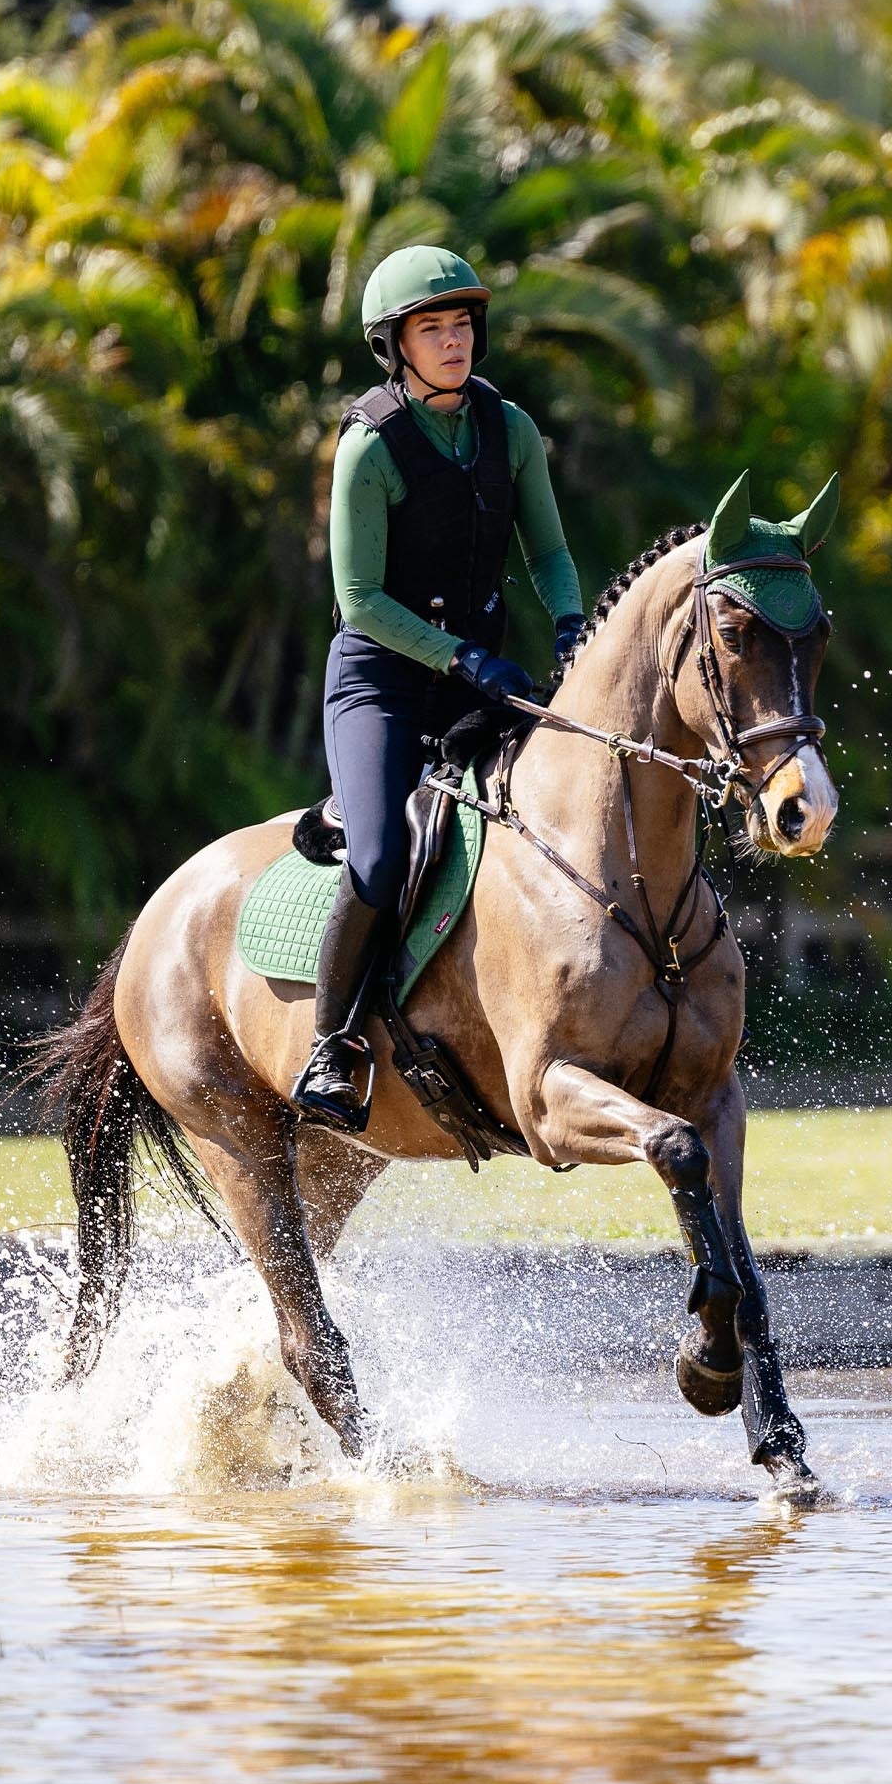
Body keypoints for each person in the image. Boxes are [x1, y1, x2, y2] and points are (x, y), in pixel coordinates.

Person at [292, 245, 586, 1130]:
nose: (454, 342)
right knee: (381, 860)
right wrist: (462, 658)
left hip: (477, 678)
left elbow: (552, 554)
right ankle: (331, 1047)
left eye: (463, 325)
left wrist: (574, 627)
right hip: (382, 682)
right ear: (397, 345)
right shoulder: (370, 446)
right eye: (433, 328)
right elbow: (359, 600)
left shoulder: (512, 430)